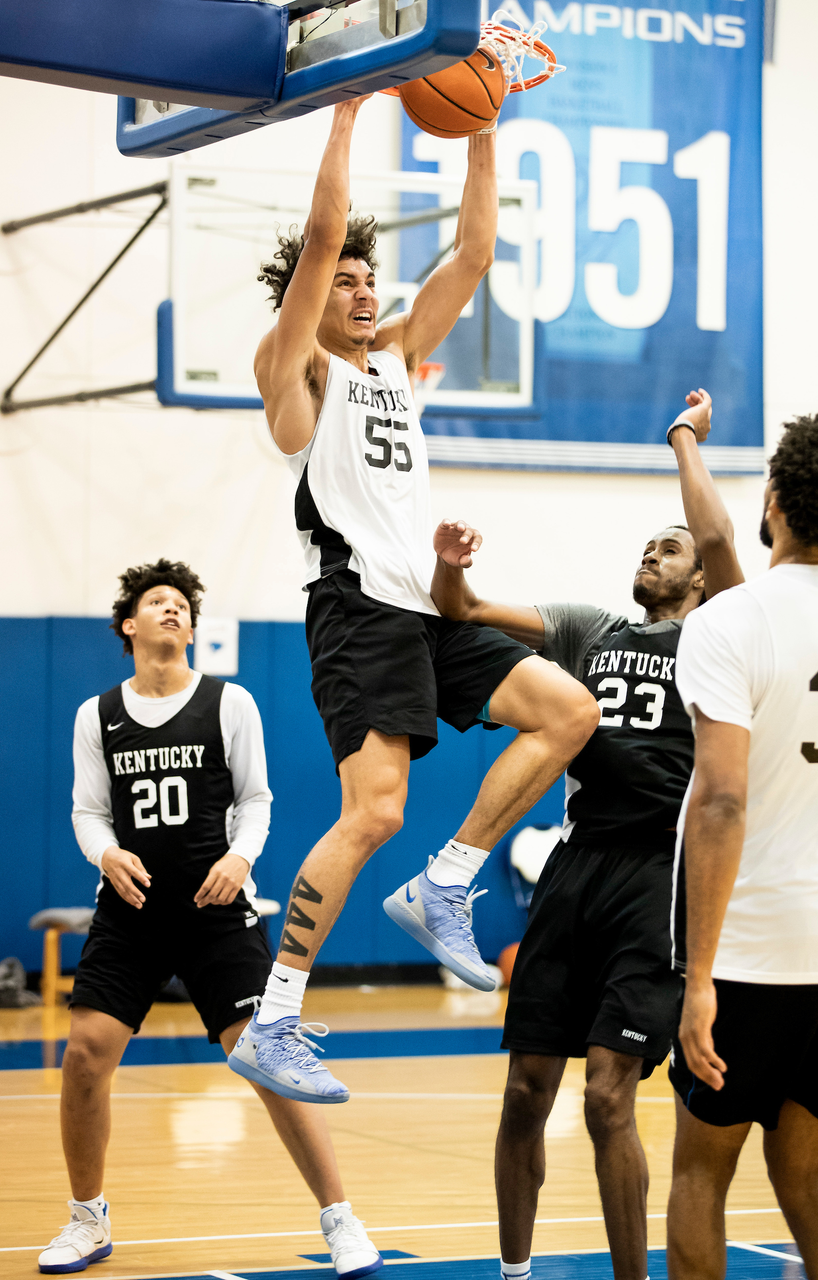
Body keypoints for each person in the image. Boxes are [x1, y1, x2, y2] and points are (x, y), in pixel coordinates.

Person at [227, 96, 598, 1105]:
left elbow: (474, 251)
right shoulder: (293, 373)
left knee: (569, 710)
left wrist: (481, 113)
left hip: (429, 603)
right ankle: (275, 1015)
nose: (358, 288)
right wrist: (347, 114)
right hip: (357, 608)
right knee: (372, 807)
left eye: (365, 277)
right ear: (309, 297)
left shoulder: (392, 357)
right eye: (340, 280)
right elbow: (316, 237)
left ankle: (445, 879)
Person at [429, 391, 743, 1280]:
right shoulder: (589, 629)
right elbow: (466, 611)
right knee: (525, 1089)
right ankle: (514, 1272)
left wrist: (682, 438)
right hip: (575, 866)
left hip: (658, 878)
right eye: (645, 545)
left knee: (609, 1097)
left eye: (668, 546)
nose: (653, 550)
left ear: (698, 578)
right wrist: (450, 568)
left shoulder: (722, 629)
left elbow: (720, 544)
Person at [38, 560, 381, 1279]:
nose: (172, 611)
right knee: (83, 1056)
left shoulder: (229, 701)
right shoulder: (95, 715)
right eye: (155, 603)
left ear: (191, 627)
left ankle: (340, 1220)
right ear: (127, 626)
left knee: (270, 1064)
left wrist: (239, 859)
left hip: (217, 912)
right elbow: (88, 811)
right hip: (131, 912)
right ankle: (86, 1219)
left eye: (181, 605)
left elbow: (256, 799)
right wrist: (105, 854)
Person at [667, 416, 818, 1280]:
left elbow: (720, 799)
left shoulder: (728, 620)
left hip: (748, 955)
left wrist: (695, 982)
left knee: (700, 1170)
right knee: (804, 1168)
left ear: (774, 503)